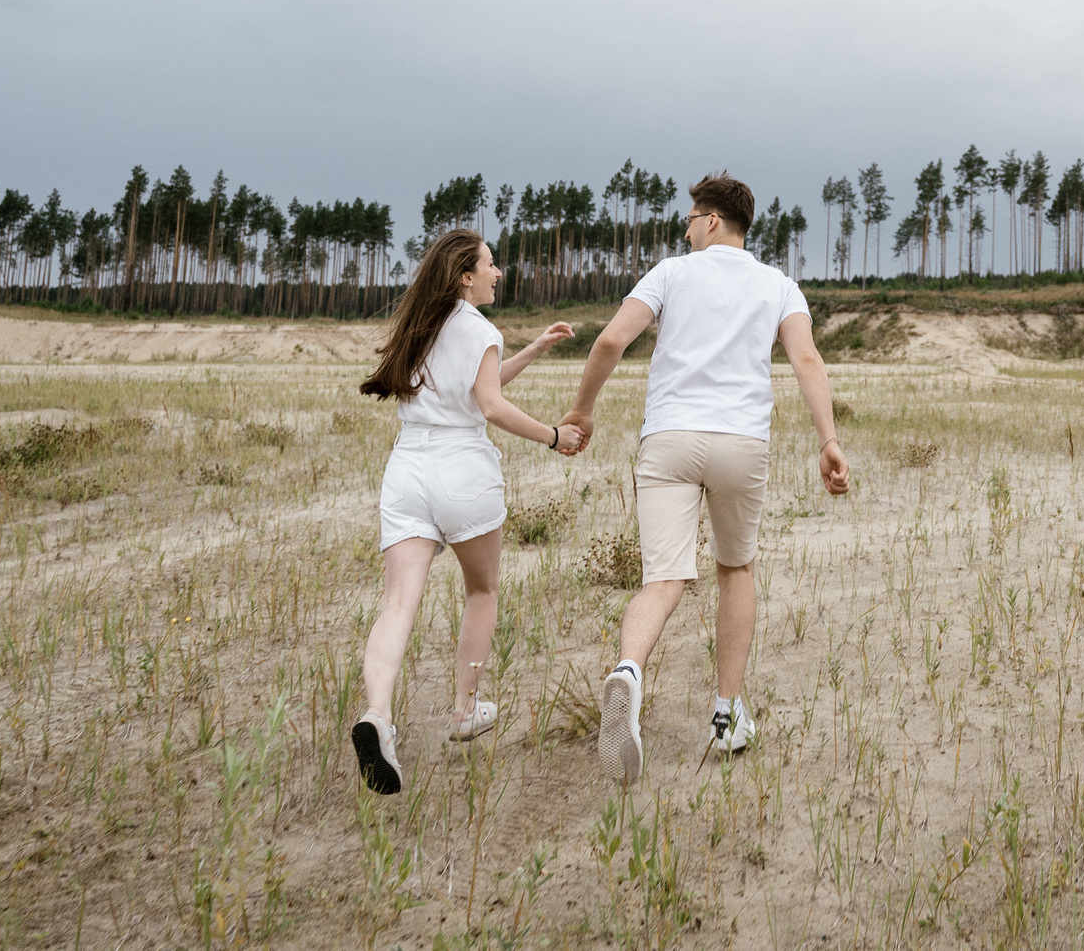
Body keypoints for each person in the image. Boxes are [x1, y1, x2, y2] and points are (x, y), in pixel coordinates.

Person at [554, 172, 848, 784]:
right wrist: (828, 439)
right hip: (741, 442)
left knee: (663, 578)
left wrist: (582, 409)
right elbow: (806, 359)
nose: (685, 228)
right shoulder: (779, 284)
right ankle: (726, 715)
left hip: (670, 438)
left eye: (690, 218)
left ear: (711, 221)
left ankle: (629, 672)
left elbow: (610, 340)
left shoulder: (670, 274)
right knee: (735, 569)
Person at [349, 228, 579, 795]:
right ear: (465, 275)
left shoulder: (421, 325)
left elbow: (474, 385)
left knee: (398, 603)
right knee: (482, 590)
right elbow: (489, 405)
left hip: (407, 472)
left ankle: (377, 715)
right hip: (462, 472)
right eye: (491, 265)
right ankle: (464, 710)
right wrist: (553, 435)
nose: (498, 273)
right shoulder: (478, 328)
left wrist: (532, 350)